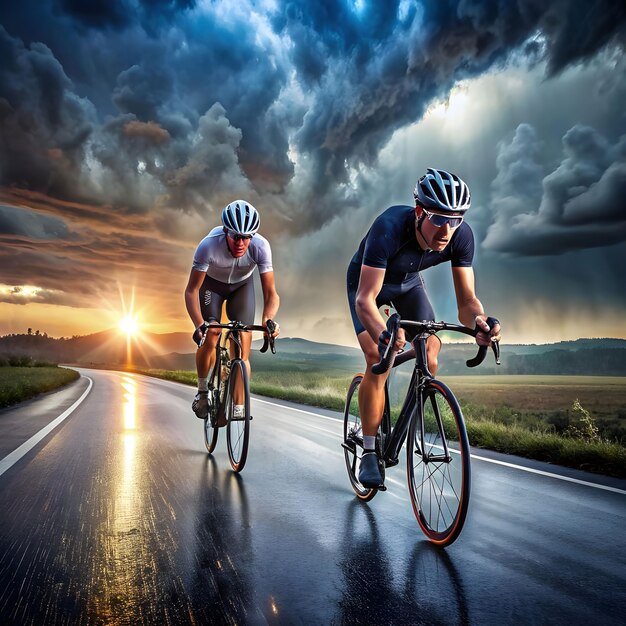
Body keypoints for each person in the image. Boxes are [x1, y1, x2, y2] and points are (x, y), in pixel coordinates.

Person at [347, 168, 501, 488]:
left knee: (430, 351)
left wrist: (480, 321)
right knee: (380, 355)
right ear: (420, 211)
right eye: (439, 218)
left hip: (408, 286)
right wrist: (384, 335)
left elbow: (466, 303)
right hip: (368, 287)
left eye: (456, 219)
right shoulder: (389, 227)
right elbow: (365, 300)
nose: (448, 229)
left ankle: (412, 410)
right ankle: (370, 450)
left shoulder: (460, 236)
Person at [184, 200, 280, 421]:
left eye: (247, 237)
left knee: (242, 349)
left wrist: (268, 320)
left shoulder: (261, 246)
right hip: (212, 287)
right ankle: (202, 391)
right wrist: (200, 325)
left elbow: (271, 294)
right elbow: (191, 291)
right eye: (236, 236)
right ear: (226, 231)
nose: (241, 242)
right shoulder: (208, 245)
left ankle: (239, 407)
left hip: (242, 287)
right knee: (212, 334)